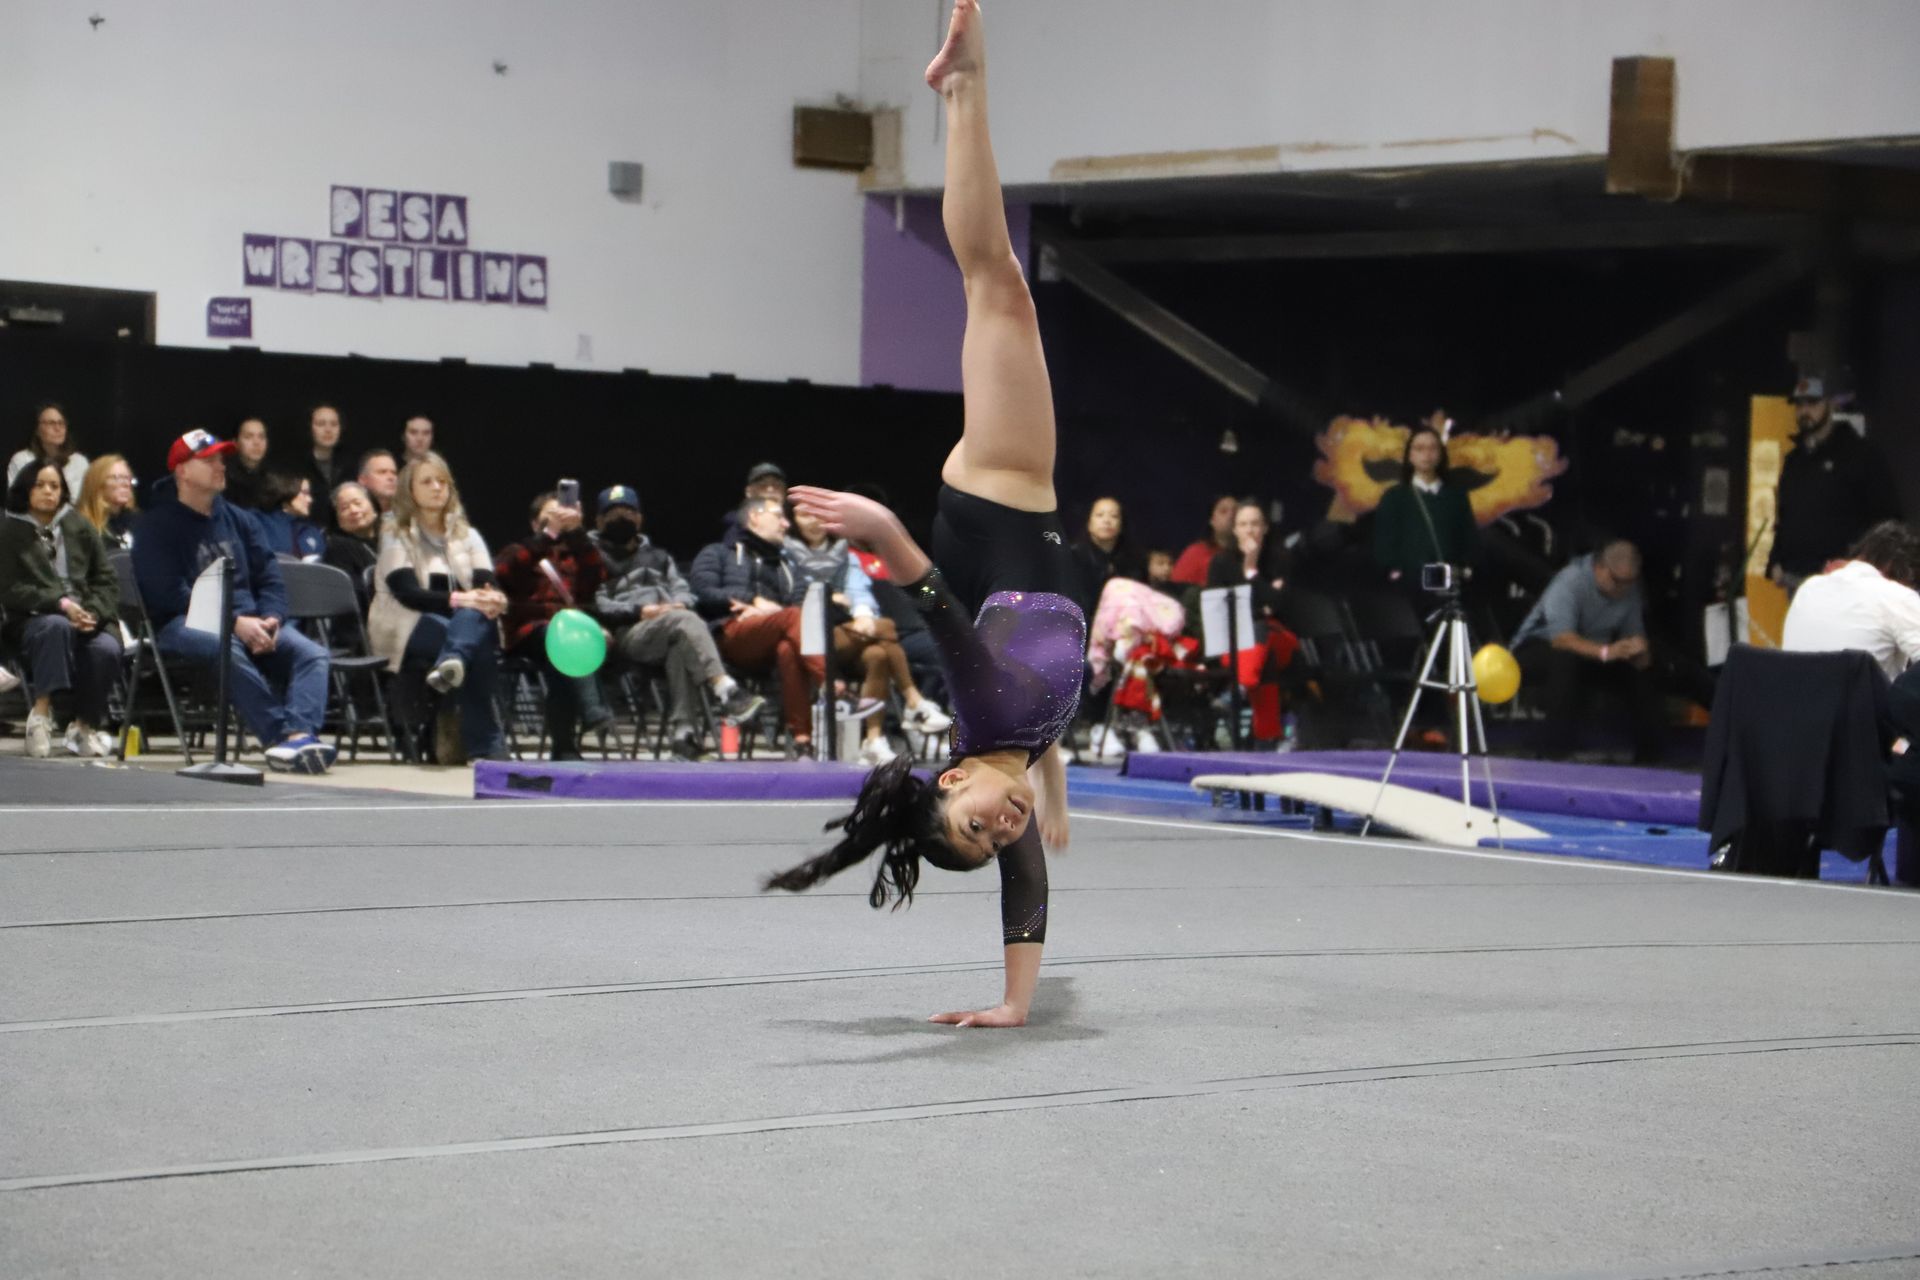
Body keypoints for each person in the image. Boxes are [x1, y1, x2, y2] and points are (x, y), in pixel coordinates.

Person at [762, 0, 1083, 1030]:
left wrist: (874, 524)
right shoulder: (1012, 754)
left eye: (974, 823)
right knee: (997, 292)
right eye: (994, 838)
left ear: (948, 776)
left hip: (995, 497)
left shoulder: (987, 712)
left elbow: (934, 598)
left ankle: (965, 84)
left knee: (997, 287)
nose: (1002, 831)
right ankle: (960, 89)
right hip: (1015, 504)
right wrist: (1013, 1004)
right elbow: (1028, 897)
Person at [131, 429, 334, 772]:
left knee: (311, 653)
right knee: (224, 645)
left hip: (250, 620)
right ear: (182, 471)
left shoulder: (241, 519)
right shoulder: (155, 527)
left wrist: (272, 617)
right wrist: (235, 624)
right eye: (208, 460)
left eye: (221, 459)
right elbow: (168, 594)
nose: (220, 466)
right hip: (183, 622)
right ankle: (280, 737)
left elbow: (270, 576)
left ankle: (299, 735)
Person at [591, 483, 763, 759]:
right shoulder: (592, 556)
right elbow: (597, 602)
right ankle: (725, 689)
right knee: (684, 622)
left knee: (680, 644)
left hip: (669, 625)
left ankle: (684, 737)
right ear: (599, 521)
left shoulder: (659, 556)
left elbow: (682, 588)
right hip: (627, 632)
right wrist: (639, 610)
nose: (621, 518)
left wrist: (679, 602)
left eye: (628, 512)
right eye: (612, 514)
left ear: (639, 519)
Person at [787, 501, 953, 765]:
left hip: (855, 632)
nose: (812, 521)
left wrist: (863, 613)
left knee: (879, 654)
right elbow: (793, 598)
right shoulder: (787, 553)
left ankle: (874, 740)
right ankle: (914, 704)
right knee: (886, 628)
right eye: (803, 515)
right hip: (810, 632)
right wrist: (834, 600)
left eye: (817, 515)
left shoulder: (846, 555)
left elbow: (860, 593)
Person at [369, 452, 507, 762]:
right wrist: (462, 599)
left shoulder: (467, 534)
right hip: (407, 622)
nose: (437, 488)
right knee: (477, 641)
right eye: (427, 481)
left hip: (461, 622)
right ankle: (488, 745)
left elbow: (486, 585)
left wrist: (493, 598)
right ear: (409, 489)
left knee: (473, 625)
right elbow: (406, 593)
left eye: (442, 481)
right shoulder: (394, 531)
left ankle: (452, 662)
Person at [1, 462, 122, 758]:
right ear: (25, 490)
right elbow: (10, 589)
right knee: (55, 626)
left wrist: (91, 611)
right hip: (30, 620)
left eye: (54, 486)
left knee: (106, 647)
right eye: (40, 485)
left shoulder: (79, 526)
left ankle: (82, 728)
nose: (48, 492)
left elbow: (105, 579)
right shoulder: (9, 530)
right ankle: (41, 715)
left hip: (83, 617)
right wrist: (62, 604)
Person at [690, 495, 823, 753]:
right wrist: (753, 601)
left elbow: (800, 601)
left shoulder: (788, 566)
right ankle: (832, 685)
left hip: (777, 637)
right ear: (754, 517)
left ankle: (802, 741)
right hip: (730, 635)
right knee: (794, 618)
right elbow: (703, 590)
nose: (786, 524)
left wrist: (769, 615)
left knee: (788, 649)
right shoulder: (718, 552)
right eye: (779, 516)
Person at [1511, 539, 1662, 763]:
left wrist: (1639, 651)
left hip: (1595, 650)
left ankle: (1651, 752)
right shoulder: (1571, 581)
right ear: (1599, 568)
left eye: (1629, 582)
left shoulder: (1629, 590)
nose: (1623, 589)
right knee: (1565, 660)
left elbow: (1633, 634)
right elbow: (1561, 638)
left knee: (1641, 668)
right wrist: (1605, 652)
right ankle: (1555, 750)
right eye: (1617, 581)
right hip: (1540, 645)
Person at [494, 488, 616, 760]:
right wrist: (547, 536)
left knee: (561, 658)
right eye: (551, 516)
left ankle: (564, 746)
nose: (559, 520)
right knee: (558, 638)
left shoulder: (577, 553)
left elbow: (598, 576)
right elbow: (504, 572)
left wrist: (577, 533)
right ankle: (592, 712)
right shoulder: (519, 550)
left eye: (564, 515)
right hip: (529, 632)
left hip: (570, 635)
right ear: (535, 523)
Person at [1769, 376, 1902, 593]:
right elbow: (1783, 515)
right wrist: (1776, 559)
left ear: (1830, 404)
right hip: (1796, 576)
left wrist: (1871, 565)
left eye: (1812, 403)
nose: (1804, 411)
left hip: (1843, 579)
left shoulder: (1859, 454)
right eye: (1799, 405)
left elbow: (1887, 517)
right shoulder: (1794, 460)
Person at [1781, 521, 1920, 681]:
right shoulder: (1896, 595)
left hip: (1795, 703)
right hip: (1859, 704)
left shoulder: (1809, 587)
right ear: (1907, 573)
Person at [1372, 419, 1477, 588]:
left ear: (1441, 454)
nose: (1427, 454)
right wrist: (1398, 572)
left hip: (1453, 586)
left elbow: (1471, 541)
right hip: (1409, 589)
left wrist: (1465, 570)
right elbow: (1384, 548)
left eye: (1433, 448)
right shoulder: (1394, 497)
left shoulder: (1457, 496)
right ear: (1410, 456)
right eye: (1419, 448)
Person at [1071, 496, 1147, 604]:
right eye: (1099, 515)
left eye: (1114, 516)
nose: (1107, 521)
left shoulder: (1134, 561)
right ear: (1088, 523)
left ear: (1121, 525)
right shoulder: (1073, 557)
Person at [324, 482, 382, 619]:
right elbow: (354, 597)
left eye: (358, 503)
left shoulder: (393, 538)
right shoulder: (338, 548)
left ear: (374, 507)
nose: (354, 510)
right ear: (337, 519)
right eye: (344, 508)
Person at [8, 403, 90, 496]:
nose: (58, 428)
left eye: (61, 423)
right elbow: (16, 499)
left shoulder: (79, 462)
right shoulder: (22, 460)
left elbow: (85, 501)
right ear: (37, 430)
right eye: (51, 423)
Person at [251, 471, 327, 561]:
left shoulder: (312, 531)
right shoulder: (256, 521)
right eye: (305, 493)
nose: (310, 500)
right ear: (287, 490)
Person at [75, 454, 139, 550]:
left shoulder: (137, 522)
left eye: (128, 478)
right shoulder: (80, 527)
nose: (125, 484)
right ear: (97, 483)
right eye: (116, 478)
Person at [1171, 495, 1237, 587]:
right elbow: (1177, 592)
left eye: (1236, 511)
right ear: (1212, 521)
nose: (1232, 516)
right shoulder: (1196, 553)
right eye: (1223, 511)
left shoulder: (1251, 553)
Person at [303, 404, 352, 522]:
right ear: (310, 428)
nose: (328, 430)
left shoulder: (350, 465)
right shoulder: (297, 466)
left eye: (334, 424)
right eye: (321, 424)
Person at [226, 417, 271, 511]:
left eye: (262, 437)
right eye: (248, 437)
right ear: (235, 443)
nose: (257, 442)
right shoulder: (224, 478)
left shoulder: (273, 478)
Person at [358, 449, 400, 515]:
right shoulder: (355, 516)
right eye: (382, 472)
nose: (391, 477)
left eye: (394, 473)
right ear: (363, 480)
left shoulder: (410, 517)